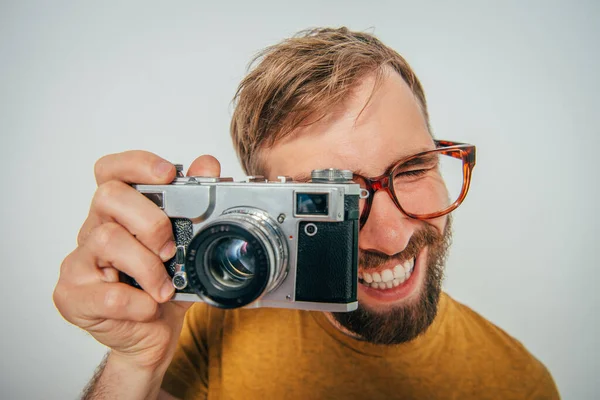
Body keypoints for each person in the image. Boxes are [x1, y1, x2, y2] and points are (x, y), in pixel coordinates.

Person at [53, 27, 560, 399]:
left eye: (411, 169)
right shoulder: (209, 323)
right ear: (269, 207)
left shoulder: (520, 384)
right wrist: (135, 362)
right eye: (331, 201)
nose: (388, 236)